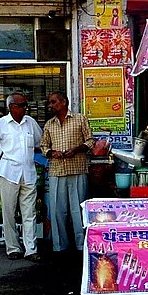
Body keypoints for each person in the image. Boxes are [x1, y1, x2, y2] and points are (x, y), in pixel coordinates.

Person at [0, 93, 43, 261]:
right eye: (21, 105)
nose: (24, 108)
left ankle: (31, 250)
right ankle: (13, 248)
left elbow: (39, 142)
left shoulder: (31, 123)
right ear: (11, 107)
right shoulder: (0, 125)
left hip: (28, 173)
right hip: (9, 174)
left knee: (30, 214)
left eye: (25, 105)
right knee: (9, 213)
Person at [41, 92, 95, 254]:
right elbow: (43, 147)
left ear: (63, 102)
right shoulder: (49, 124)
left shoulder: (80, 119)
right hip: (57, 171)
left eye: (53, 102)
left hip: (77, 168)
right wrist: (52, 153)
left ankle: (81, 245)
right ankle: (60, 246)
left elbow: (90, 141)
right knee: (58, 211)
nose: (50, 105)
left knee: (78, 210)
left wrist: (77, 149)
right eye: (49, 102)